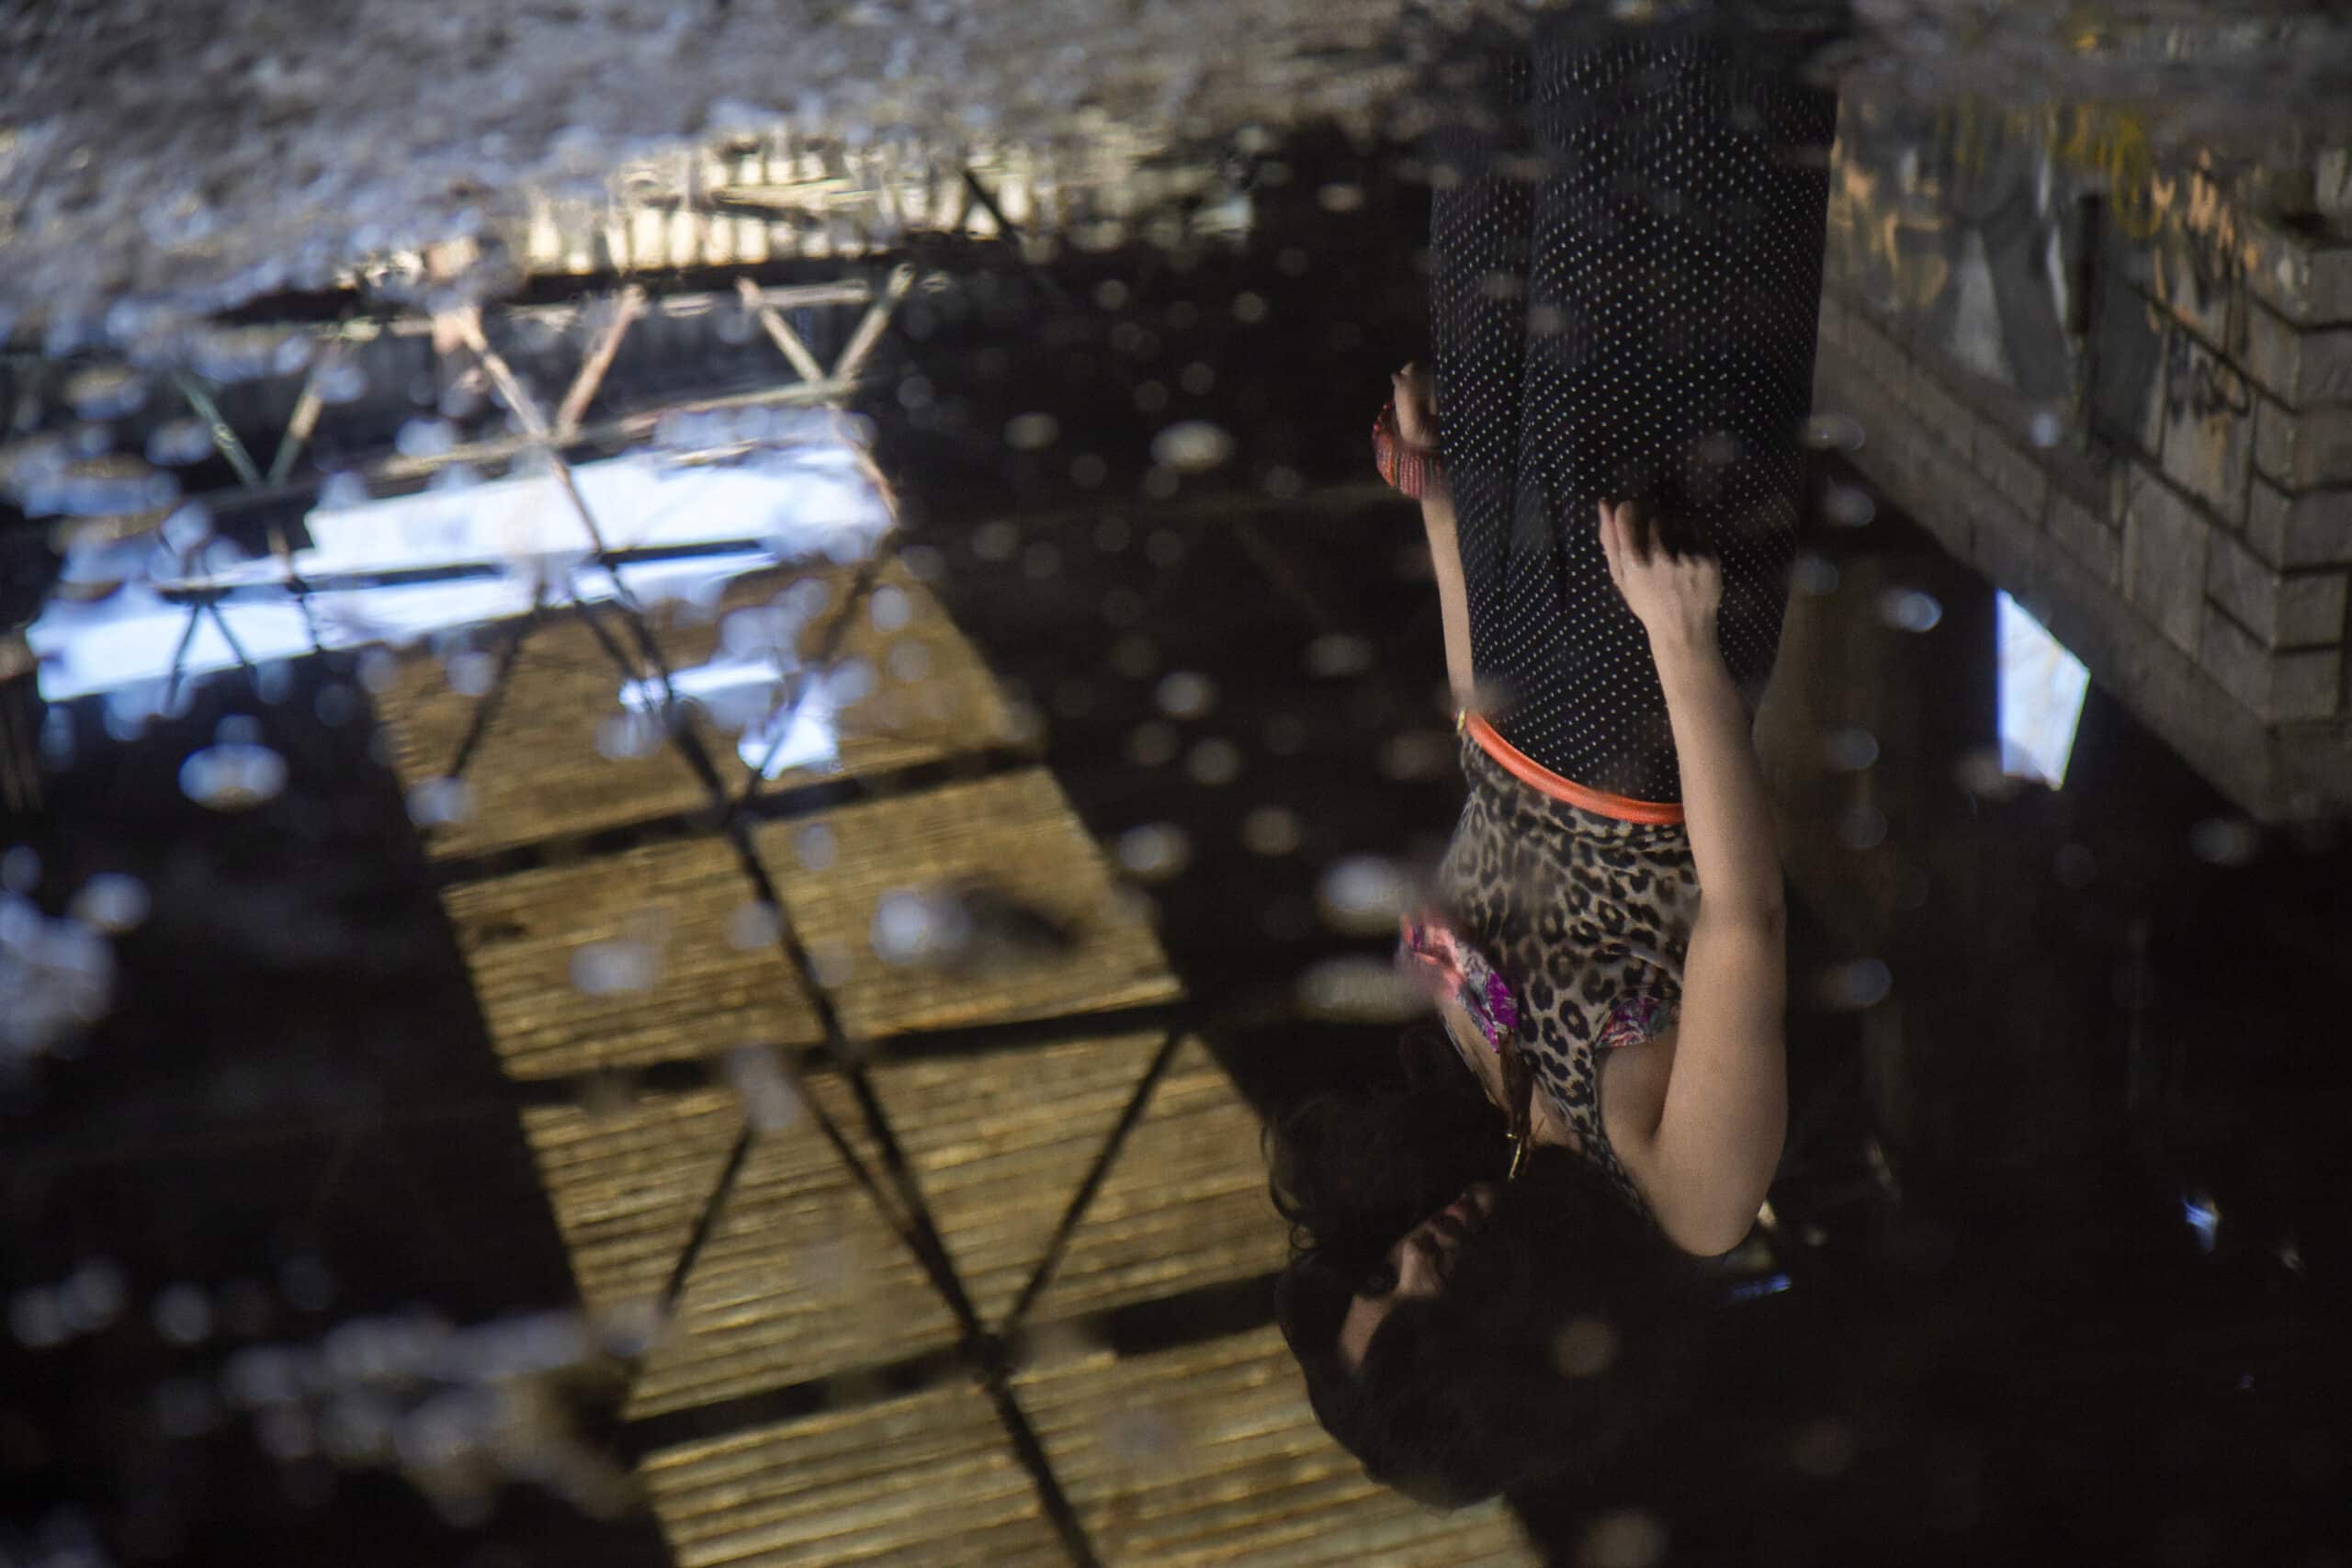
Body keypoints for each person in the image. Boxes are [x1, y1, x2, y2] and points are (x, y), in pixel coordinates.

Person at [1272, 3, 1844, 1506]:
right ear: (1507, 1357)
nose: (1414, 1253)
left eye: (1374, 1268)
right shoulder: (1689, 1195)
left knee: (1494, 136)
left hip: (1530, 642)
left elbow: (1490, 777)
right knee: (1661, 142)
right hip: (1649, 660)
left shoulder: (1482, 1100)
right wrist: (1684, 646)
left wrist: (1445, 521)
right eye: (1417, 1298)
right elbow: (1742, 915)